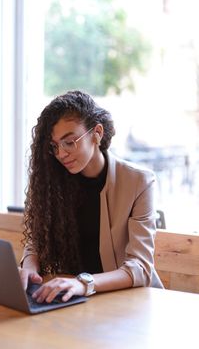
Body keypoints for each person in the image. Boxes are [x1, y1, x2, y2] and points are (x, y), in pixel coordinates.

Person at [19, 90, 163, 304]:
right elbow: (38, 239)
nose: (61, 154)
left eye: (69, 142)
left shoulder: (139, 182)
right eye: (54, 146)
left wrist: (83, 283)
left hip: (128, 302)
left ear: (97, 133)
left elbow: (140, 268)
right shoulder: (54, 182)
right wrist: (29, 268)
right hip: (74, 299)